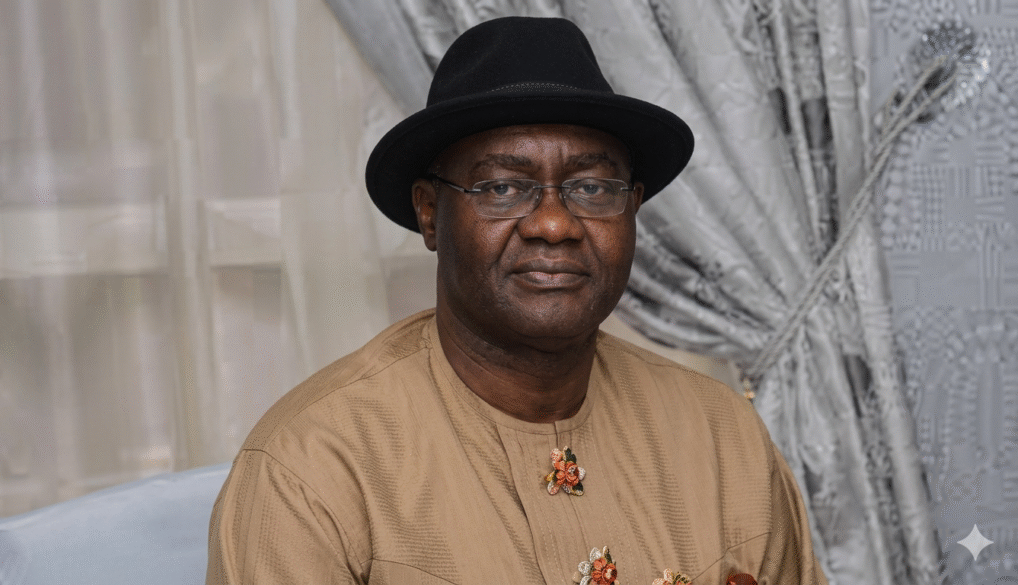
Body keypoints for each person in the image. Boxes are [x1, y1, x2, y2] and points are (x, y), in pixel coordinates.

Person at [206, 16, 827, 585]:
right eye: (503, 186)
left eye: (591, 185)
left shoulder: (723, 438)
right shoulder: (312, 469)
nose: (554, 224)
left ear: (632, 208)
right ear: (429, 213)